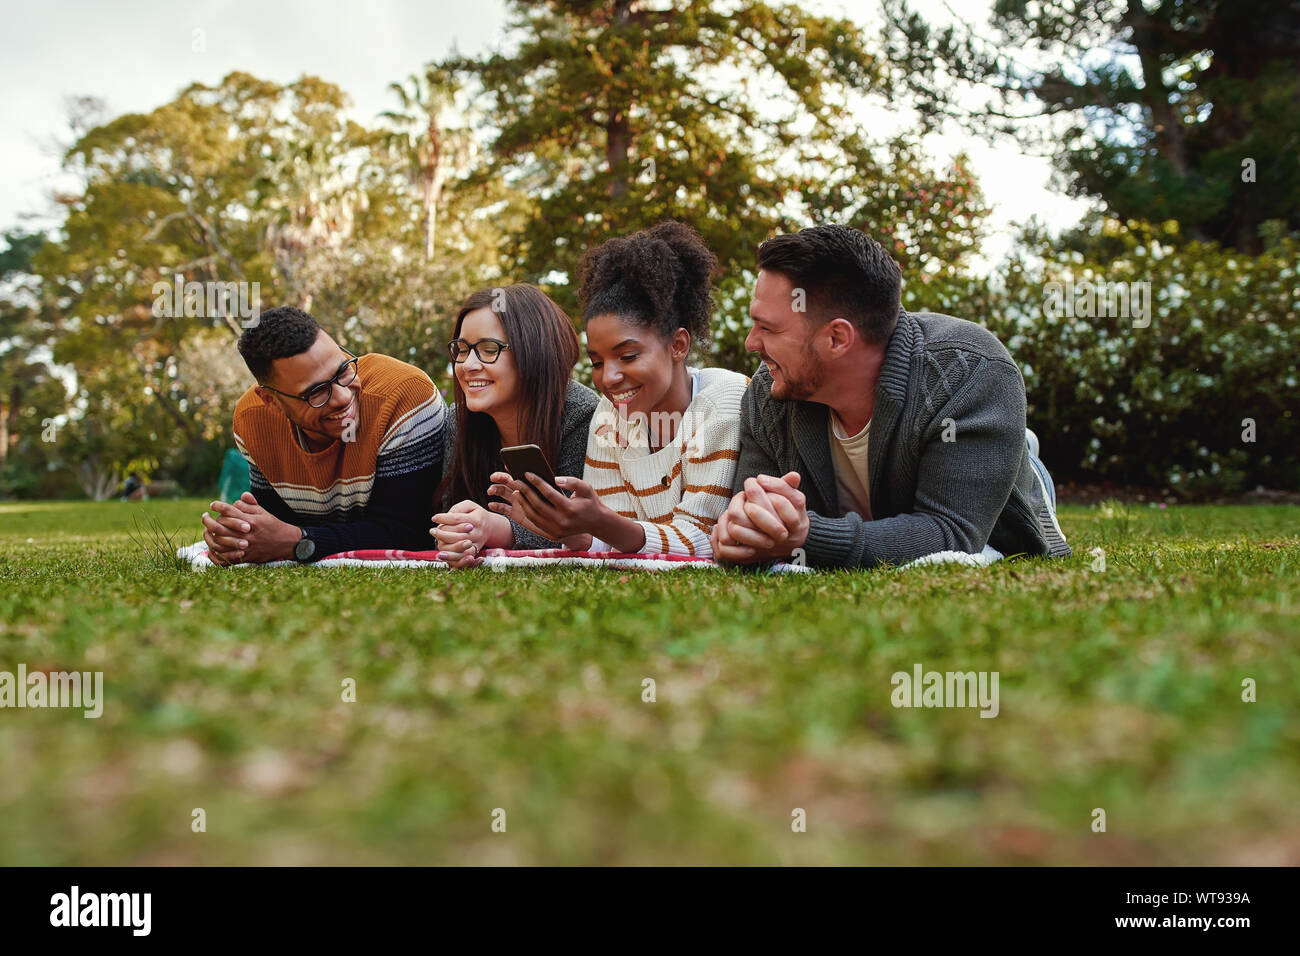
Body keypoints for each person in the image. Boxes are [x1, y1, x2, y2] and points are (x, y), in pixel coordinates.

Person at [711, 224, 1070, 568]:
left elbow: (952, 535)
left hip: (996, 489)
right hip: (877, 499)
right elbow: (748, 511)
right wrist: (745, 528)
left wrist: (807, 535)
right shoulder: (771, 386)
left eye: (767, 328)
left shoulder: (973, 371)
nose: (751, 343)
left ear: (837, 338)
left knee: (1007, 478)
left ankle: (1019, 454)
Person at [494, 222, 748, 557]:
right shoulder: (609, 415)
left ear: (678, 345)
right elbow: (616, 537)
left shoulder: (723, 403)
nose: (609, 378)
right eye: (597, 362)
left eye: (627, 356)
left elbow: (703, 539)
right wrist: (575, 533)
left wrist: (602, 523)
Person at [201, 306, 445, 565]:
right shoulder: (253, 419)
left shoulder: (404, 396)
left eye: (342, 371)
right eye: (316, 392)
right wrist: (239, 536)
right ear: (270, 400)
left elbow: (411, 532)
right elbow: (276, 526)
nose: (343, 397)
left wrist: (299, 541)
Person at [430, 284, 598, 567]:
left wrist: (496, 530)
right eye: (461, 349)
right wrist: (455, 535)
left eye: (488, 349)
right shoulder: (458, 420)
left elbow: (582, 530)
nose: (468, 364)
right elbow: (448, 514)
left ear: (533, 351)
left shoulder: (582, 414)